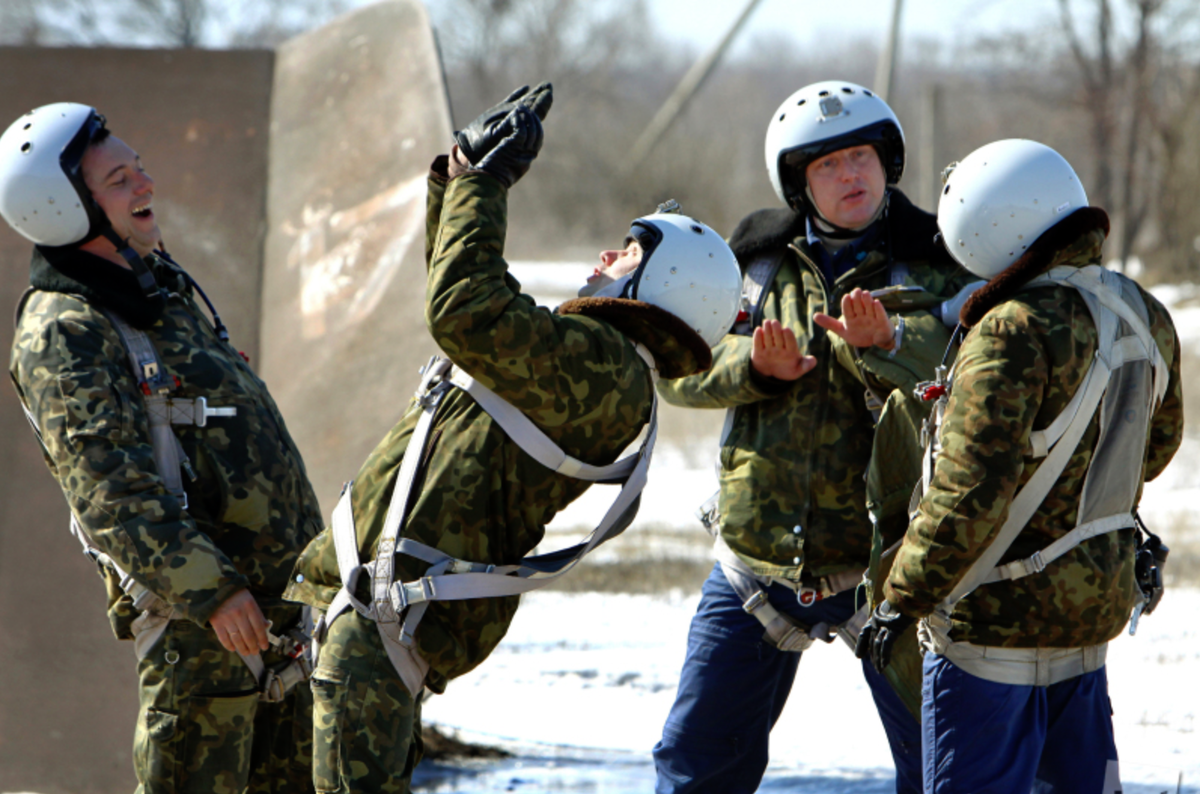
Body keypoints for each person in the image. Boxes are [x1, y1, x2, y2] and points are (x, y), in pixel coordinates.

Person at [283, 83, 743, 793]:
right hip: (379, 614)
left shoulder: (605, 369)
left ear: (666, 280)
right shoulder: (590, 361)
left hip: (386, 622)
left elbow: (464, 308)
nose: (603, 255)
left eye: (625, 253)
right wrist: (461, 176)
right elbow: (467, 292)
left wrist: (488, 185)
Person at [652, 80, 978, 794]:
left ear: (886, 162)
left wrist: (892, 340)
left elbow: (980, 370)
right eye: (827, 165)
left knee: (942, 769)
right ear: (800, 183)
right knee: (694, 762)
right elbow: (678, 370)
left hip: (893, 572)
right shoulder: (750, 265)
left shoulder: (940, 260)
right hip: (754, 564)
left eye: (860, 155)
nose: (849, 175)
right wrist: (754, 367)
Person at [2, 103, 323, 792]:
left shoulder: (155, 286)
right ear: (64, 208)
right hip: (204, 633)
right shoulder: (65, 329)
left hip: (277, 616)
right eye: (119, 180)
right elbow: (108, 492)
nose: (144, 186)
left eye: (137, 166)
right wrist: (214, 591)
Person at [857, 139, 1184, 793]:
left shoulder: (1010, 329)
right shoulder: (1141, 310)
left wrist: (899, 600)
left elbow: (966, 494)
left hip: (991, 631)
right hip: (1091, 615)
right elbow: (1155, 448)